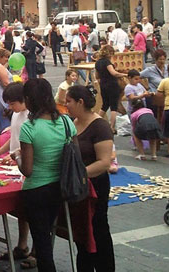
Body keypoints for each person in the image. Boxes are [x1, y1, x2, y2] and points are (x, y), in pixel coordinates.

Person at [18, 78, 76, 272]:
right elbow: (74, 153)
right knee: (46, 237)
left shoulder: (29, 128)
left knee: (42, 243)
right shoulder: (67, 122)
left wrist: (16, 158)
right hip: (60, 186)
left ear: (28, 99)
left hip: (36, 190)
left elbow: (27, 170)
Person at [65, 85, 116, 271]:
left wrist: (77, 174)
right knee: (82, 233)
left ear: (80, 102)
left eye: (69, 101)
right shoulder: (71, 122)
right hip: (77, 187)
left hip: (95, 185)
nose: (66, 105)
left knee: (98, 230)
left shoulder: (100, 126)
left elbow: (104, 163)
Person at [0, 82, 33, 267]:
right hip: (14, 164)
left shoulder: (31, 116)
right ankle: (22, 245)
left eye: (12, 103)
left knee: (29, 210)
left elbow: (29, 143)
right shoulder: (17, 113)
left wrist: (17, 156)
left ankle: (31, 249)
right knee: (22, 211)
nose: (10, 108)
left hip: (24, 165)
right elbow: (13, 137)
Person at [93, 45, 127, 133]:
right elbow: (113, 73)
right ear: (109, 53)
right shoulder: (107, 62)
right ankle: (112, 127)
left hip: (103, 85)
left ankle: (96, 123)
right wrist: (124, 75)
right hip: (112, 84)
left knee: (104, 105)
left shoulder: (97, 62)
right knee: (113, 106)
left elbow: (97, 76)